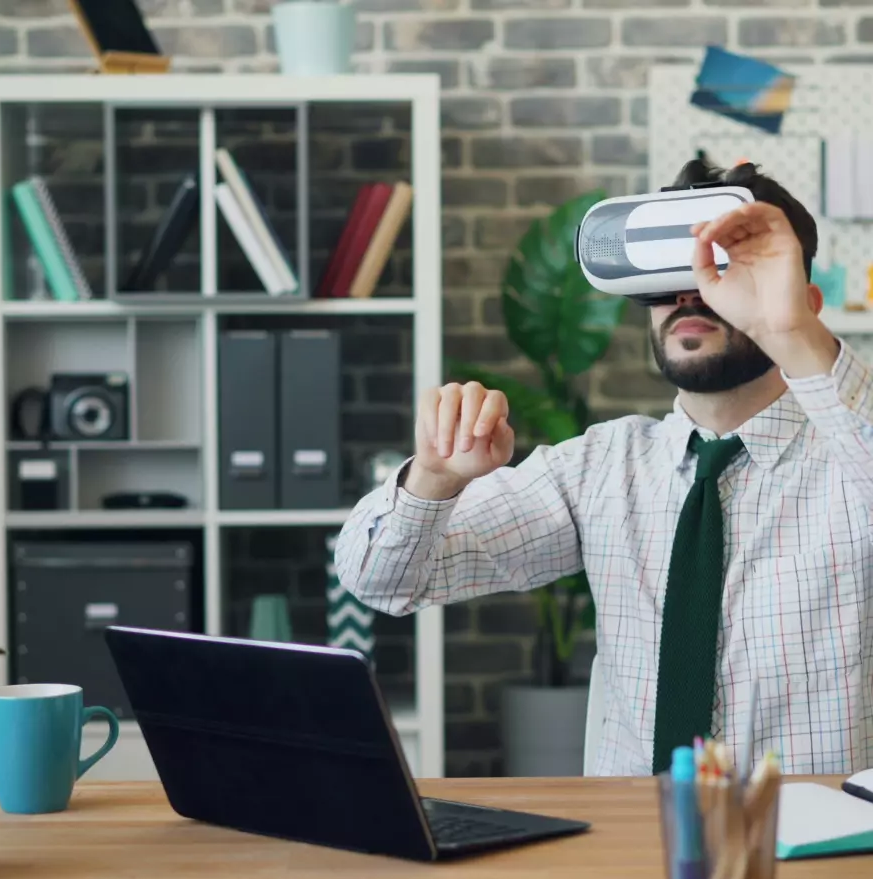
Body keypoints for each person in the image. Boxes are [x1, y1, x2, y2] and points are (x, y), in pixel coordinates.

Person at [333, 157, 873, 777]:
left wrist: (787, 329)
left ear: (807, 301)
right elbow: (382, 581)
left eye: (727, 266)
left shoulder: (847, 461)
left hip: (825, 855)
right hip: (630, 850)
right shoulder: (601, 468)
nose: (689, 292)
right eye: (666, 271)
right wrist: (434, 476)